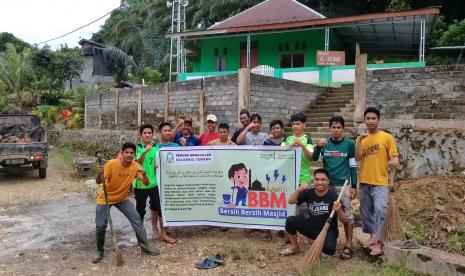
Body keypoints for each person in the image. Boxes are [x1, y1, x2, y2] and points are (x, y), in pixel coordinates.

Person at [93, 142, 159, 264]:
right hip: (105, 198)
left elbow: (146, 183)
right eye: (127, 152)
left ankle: (145, 248)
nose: (129, 155)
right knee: (101, 226)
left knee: (136, 220)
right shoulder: (112, 164)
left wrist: (143, 173)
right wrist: (100, 174)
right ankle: (99, 251)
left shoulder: (135, 166)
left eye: (132, 153)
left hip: (122, 198)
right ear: (122, 153)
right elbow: (98, 181)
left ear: (134, 154)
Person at [312, 116, 358, 260]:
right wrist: (318, 146)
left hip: (343, 185)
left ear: (343, 129)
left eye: (339, 127)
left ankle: (349, 245)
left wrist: (354, 185)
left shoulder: (349, 144)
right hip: (326, 185)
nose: (336, 130)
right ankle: (326, 241)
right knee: (325, 213)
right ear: (330, 128)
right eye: (333, 127)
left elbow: (352, 165)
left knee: (347, 215)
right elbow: (314, 158)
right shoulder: (324, 143)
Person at [356, 107, 399, 257]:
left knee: (380, 209)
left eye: (373, 118)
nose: (370, 121)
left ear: (378, 120)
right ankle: (372, 237)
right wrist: (359, 141)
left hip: (380, 181)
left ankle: (380, 243)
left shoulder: (387, 137)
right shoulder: (362, 138)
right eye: (368, 118)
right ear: (364, 120)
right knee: (366, 211)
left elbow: (395, 157)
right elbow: (358, 157)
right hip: (364, 180)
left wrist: (394, 161)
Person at [280, 168, 347, 256]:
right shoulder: (309, 192)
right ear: (313, 180)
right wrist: (299, 190)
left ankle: (320, 244)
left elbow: (344, 220)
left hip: (328, 230)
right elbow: (291, 201)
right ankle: (294, 247)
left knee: (329, 250)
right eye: (317, 179)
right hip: (312, 227)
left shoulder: (334, 197)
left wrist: (338, 210)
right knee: (290, 221)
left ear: (328, 181)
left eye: (323, 180)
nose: (319, 182)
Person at [151, 122, 179, 244]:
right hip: (156, 181)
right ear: (160, 133)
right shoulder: (154, 148)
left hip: (171, 181)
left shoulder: (176, 146)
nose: (167, 133)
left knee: (167, 204)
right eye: (165, 131)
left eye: (169, 130)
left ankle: (166, 227)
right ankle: (154, 228)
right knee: (155, 206)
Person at [281, 112, 314, 186]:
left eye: (298, 124)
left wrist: (302, 145)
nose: (295, 126)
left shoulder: (308, 139)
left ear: (304, 125)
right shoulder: (287, 139)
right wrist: (291, 145)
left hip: (304, 177)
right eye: (293, 124)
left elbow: (310, 158)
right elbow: (280, 154)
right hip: (288, 176)